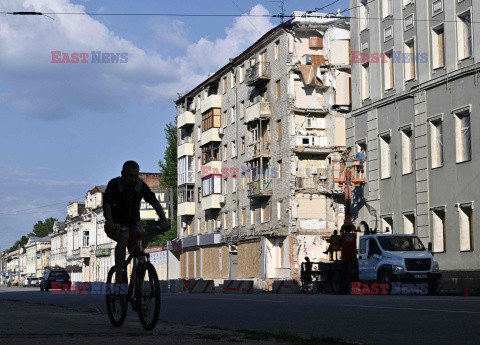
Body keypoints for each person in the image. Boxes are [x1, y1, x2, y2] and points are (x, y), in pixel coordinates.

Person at [103, 161, 171, 283]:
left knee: (140, 255)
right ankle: (119, 275)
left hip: (132, 226)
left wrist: (163, 220)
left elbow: (154, 202)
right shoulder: (114, 184)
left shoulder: (140, 185)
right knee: (124, 236)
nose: (134, 179)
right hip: (114, 225)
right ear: (123, 174)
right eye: (131, 176)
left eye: (136, 176)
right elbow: (106, 205)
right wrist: (111, 223)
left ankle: (136, 288)